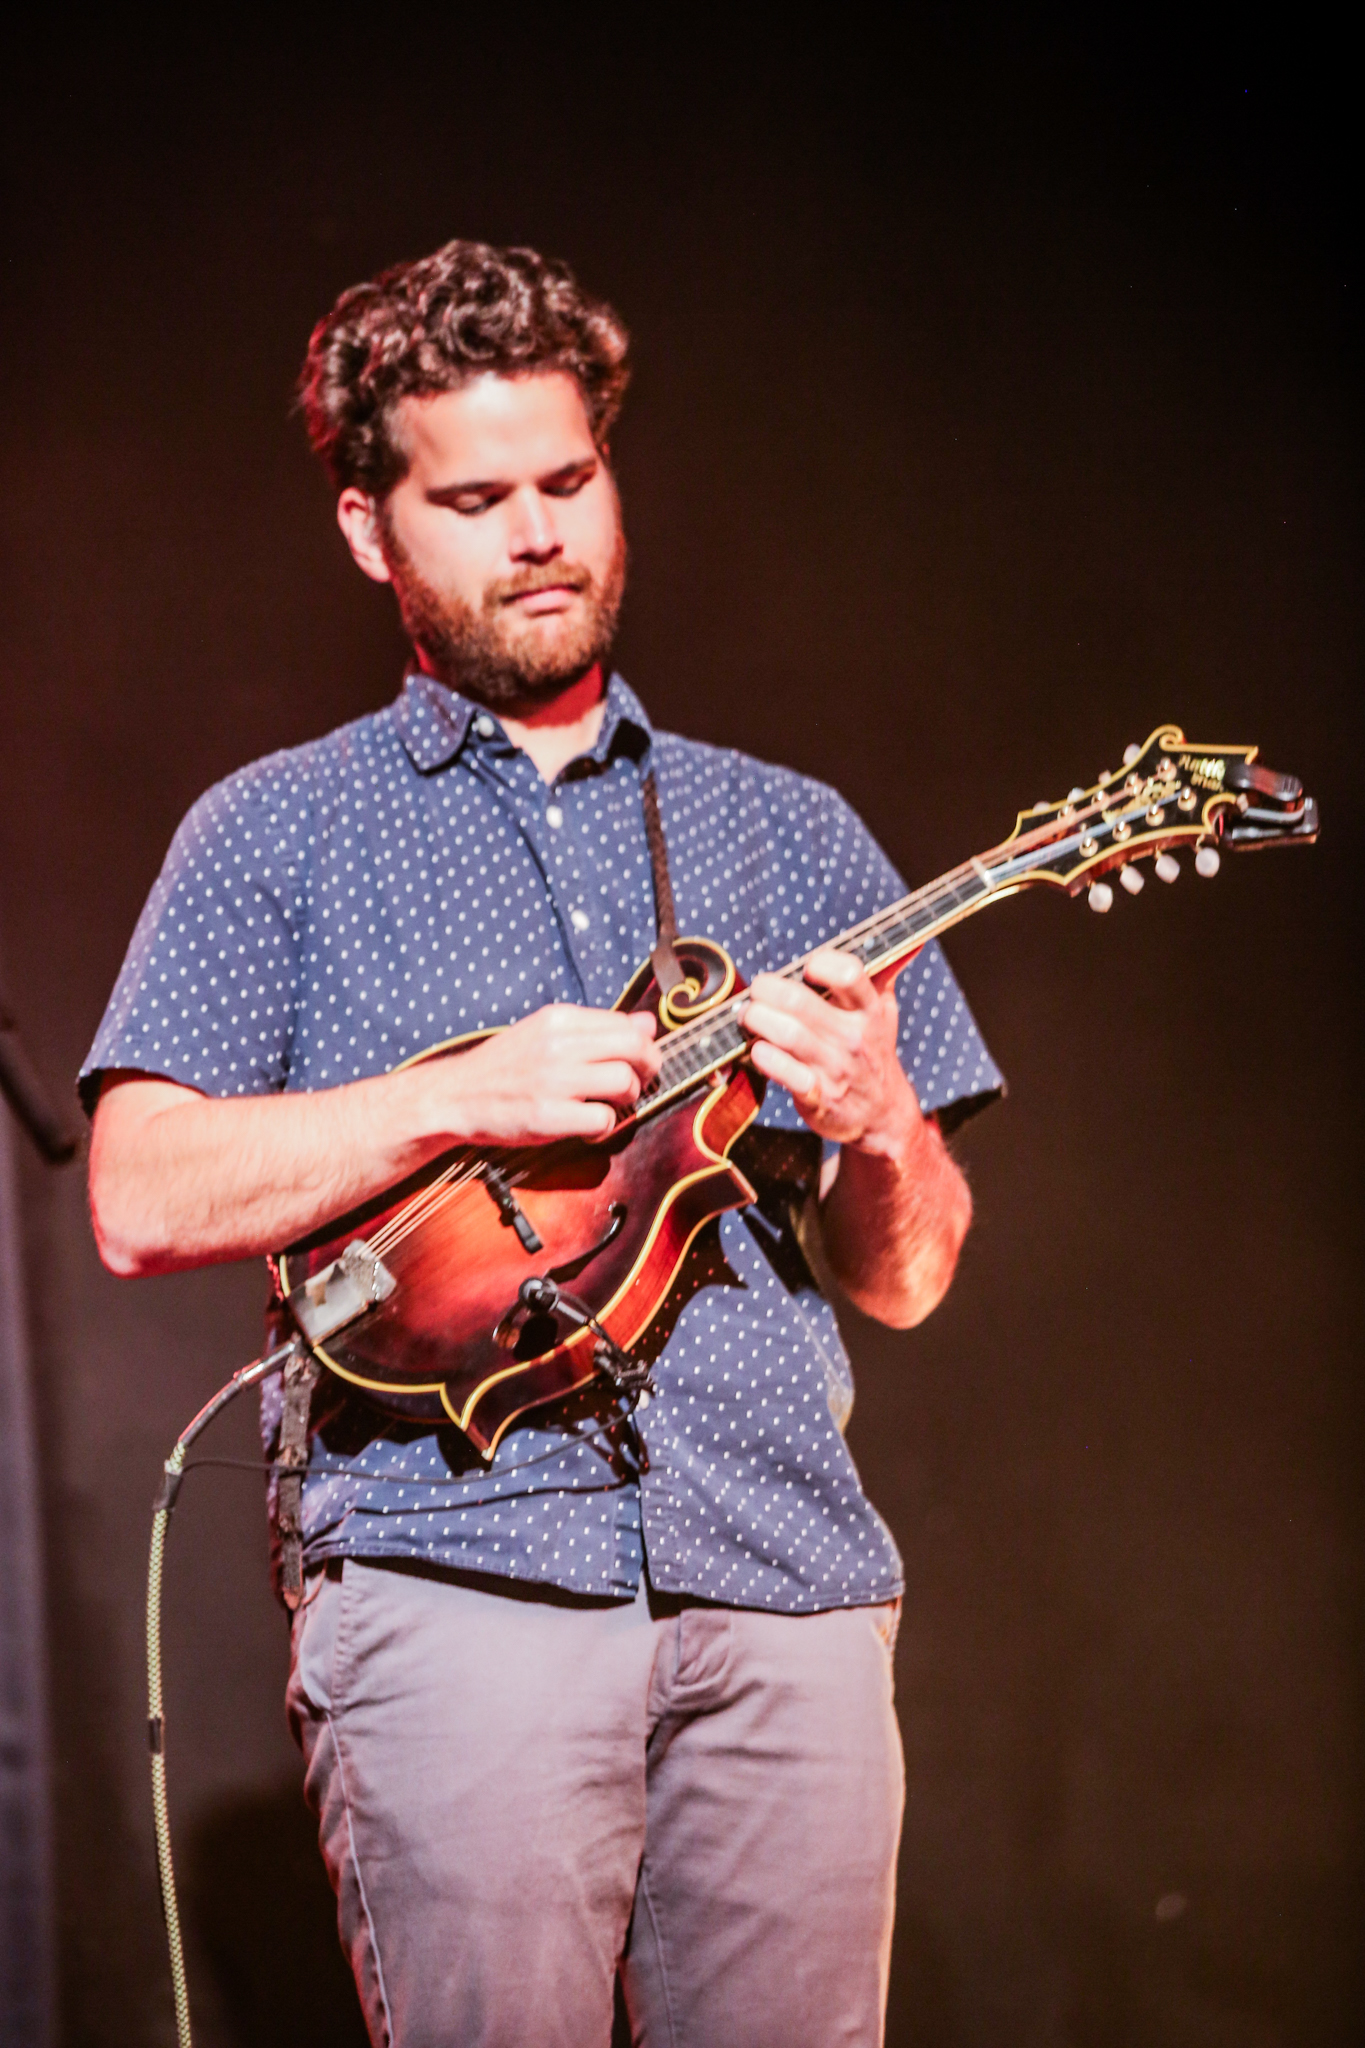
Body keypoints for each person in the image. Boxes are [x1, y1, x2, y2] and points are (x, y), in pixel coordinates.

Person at [83, 239, 1003, 2048]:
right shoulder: (275, 833)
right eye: (475, 498)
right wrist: (455, 1094)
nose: (538, 535)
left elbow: (903, 1281)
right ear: (371, 531)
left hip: (785, 1584)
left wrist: (883, 1118)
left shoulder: (792, 832)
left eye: (569, 482)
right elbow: (134, 1197)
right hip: (453, 1574)